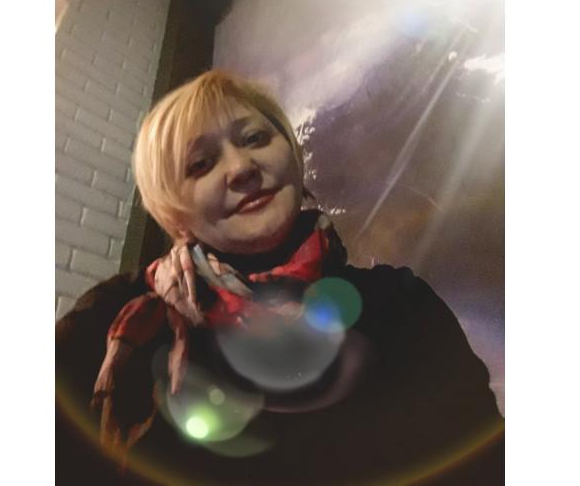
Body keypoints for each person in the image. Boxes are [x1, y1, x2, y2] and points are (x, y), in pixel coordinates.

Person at [56, 70, 504, 485]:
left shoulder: (399, 303)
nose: (241, 168)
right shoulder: (117, 318)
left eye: (255, 138)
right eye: (201, 164)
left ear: (292, 155)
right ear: (175, 213)